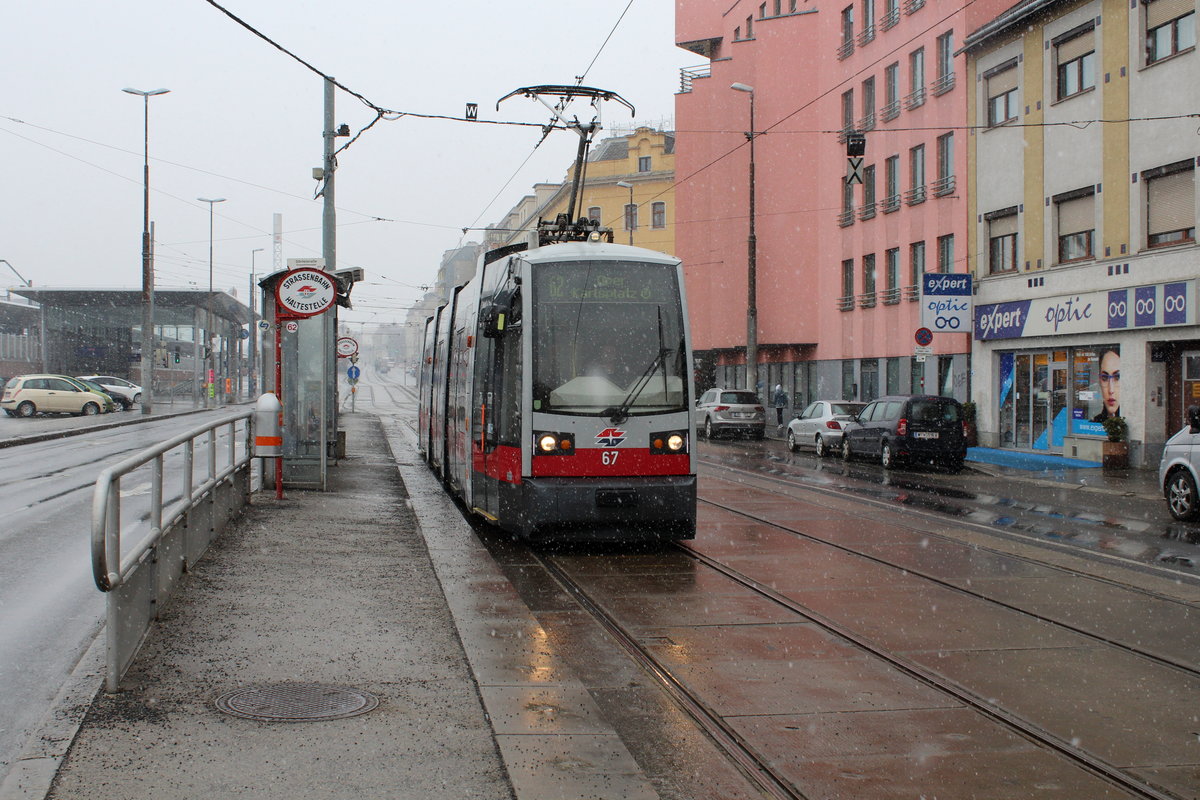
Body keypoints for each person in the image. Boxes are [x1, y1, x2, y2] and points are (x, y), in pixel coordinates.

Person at [1093, 348, 1120, 422]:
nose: (1111, 390)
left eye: (1117, 377)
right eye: (1104, 378)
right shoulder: (1095, 423)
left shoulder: (1137, 421)